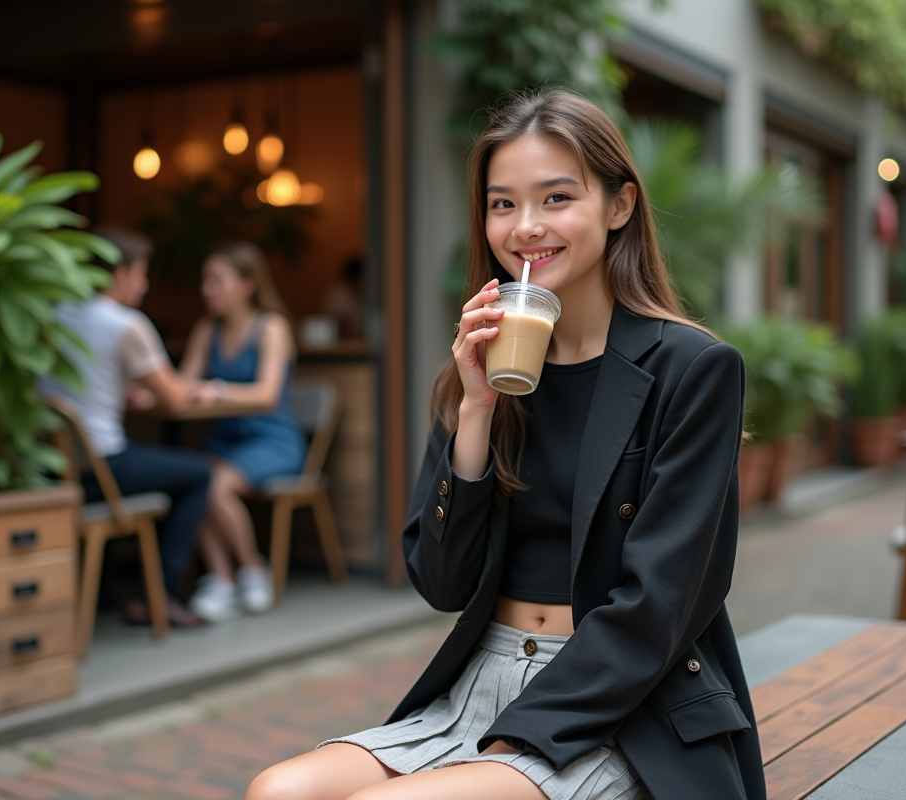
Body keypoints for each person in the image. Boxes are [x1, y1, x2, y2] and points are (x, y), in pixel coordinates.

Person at [246, 89, 764, 800]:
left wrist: (518, 734)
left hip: (622, 701)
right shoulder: (479, 366)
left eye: (556, 199)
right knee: (277, 791)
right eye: (502, 204)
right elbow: (442, 582)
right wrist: (477, 413)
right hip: (480, 677)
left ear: (619, 207)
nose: (525, 228)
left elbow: (660, 608)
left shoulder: (692, 369)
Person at [41, 227, 210, 627]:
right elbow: (172, 397)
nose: (145, 284)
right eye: (141, 274)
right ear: (120, 275)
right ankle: (157, 595)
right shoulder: (125, 324)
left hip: (54, 468)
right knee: (198, 475)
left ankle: (104, 590)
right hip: (103, 469)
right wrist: (203, 389)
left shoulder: (56, 314)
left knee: (146, 459)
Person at [178, 242, 306, 619]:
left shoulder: (272, 327)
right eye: (205, 280)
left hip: (272, 441)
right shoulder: (207, 329)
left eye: (216, 280)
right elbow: (185, 384)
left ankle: (251, 568)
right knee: (192, 479)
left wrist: (215, 390)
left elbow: (268, 395)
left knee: (214, 484)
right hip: (225, 443)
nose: (207, 289)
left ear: (247, 284)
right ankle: (221, 580)